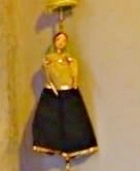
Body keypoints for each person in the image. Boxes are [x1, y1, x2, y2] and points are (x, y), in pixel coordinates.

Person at [32, 30, 98, 158]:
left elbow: (74, 69)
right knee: (51, 118)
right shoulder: (49, 58)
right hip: (52, 92)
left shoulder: (68, 58)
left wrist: (74, 81)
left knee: (72, 119)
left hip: (68, 90)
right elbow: (47, 71)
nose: (61, 43)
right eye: (58, 40)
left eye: (64, 40)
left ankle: (75, 146)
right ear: (54, 42)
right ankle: (50, 144)